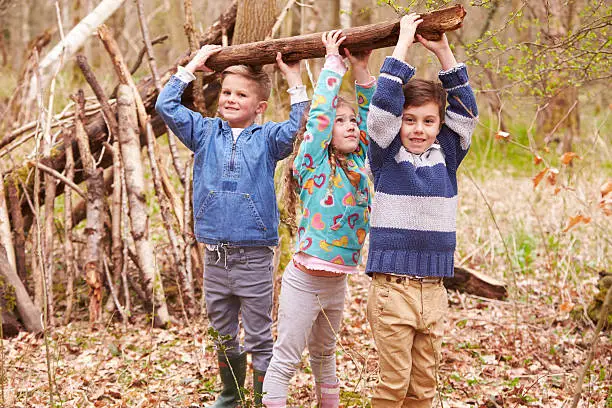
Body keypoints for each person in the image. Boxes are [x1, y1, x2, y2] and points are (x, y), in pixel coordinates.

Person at [155, 45, 308, 407]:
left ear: (259, 107)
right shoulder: (204, 132)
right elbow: (166, 106)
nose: (230, 99)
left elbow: (298, 126)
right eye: (226, 92)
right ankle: (230, 395)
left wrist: (292, 78)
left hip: (254, 254)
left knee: (258, 336)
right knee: (223, 331)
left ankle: (262, 398)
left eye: (241, 94)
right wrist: (191, 66)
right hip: (215, 257)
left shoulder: (268, 140)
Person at [365, 13, 478, 408]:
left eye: (429, 121)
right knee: (393, 386)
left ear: (438, 125)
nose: (418, 129)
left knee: (423, 389)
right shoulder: (384, 155)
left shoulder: (445, 156)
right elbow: (381, 110)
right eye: (409, 120)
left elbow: (466, 114)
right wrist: (403, 45)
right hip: (392, 290)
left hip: (434, 289)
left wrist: (444, 52)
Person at [262, 30, 375, 408]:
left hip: (336, 283)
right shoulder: (313, 164)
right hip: (305, 280)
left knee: (325, 359)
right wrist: (332, 64)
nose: (349, 125)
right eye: (341, 121)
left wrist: (362, 70)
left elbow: (375, 124)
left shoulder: (360, 165)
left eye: (352, 121)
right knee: (286, 360)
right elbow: (318, 118)